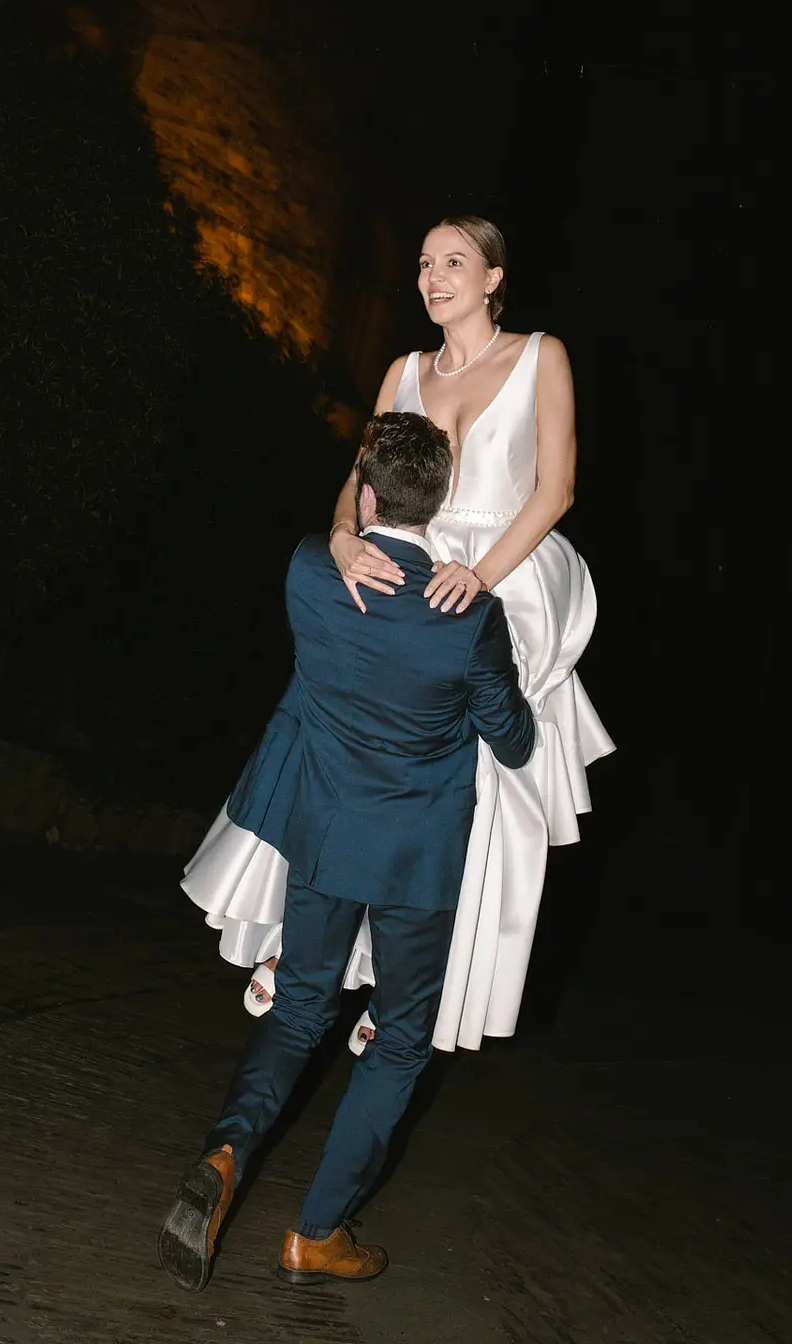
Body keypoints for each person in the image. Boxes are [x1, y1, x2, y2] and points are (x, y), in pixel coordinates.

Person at [183, 213, 613, 1051]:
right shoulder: (402, 371)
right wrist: (344, 536)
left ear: (492, 277)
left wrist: (480, 575)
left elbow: (554, 489)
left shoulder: (539, 356)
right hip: (400, 557)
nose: (432, 276)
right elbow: (358, 481)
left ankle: (417, 977)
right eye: (422, 263)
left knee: (487, 765)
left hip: (504, 570)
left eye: (454, 261)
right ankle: (293, 933)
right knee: (335, 717)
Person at [158, 411, 535, 1291]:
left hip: (323, 838)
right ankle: (317, 1233)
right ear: (438, 503)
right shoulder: (468, 613)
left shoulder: (307, 571)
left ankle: (222, 1155)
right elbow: (512, 742)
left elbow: (336, 539)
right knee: (401, 1041)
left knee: (299, 1013)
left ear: (365, 491)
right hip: (415, 861)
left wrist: (338, 529)